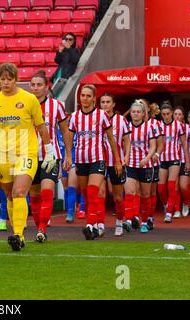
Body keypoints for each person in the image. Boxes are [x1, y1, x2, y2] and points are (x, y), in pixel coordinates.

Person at [0, 63, 55, 251]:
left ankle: (18, 235)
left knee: (19, 192)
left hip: (26, 152)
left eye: (9, 79)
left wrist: (49, 151)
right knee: (9, 196)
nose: (6, 82)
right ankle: (17, 230)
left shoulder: (29, 99)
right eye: (3, 79)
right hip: (3, 154)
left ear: (16, 79)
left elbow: (41, 126)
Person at [64, 84, 122, 240]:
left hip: (98, 159)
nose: (85, 98)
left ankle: (90, 225)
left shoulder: (102, 115)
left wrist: (117, 160)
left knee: (92, 190)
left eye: (88, 96)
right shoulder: (75, 116)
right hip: (81, 160)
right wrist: (68, 156)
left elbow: (111, 138)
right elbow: (69, 136)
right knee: (85, 193)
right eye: (83, 95)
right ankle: (96, 223)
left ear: (94, 98)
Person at [28, 70, 68, 242]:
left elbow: (65, 130)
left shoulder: (56, 106)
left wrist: (68, 155)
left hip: (50, 156)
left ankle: (42, 229)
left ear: (46, 87)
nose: (35, 88)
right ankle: (39, 227)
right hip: (29, 156)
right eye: (33, 85)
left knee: (46, 192)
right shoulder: (24, 105)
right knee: (34, 195)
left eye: (39, 85)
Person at [123, 100, 157, 234]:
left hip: (146, 165)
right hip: (130, 164)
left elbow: (153, 146)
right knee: (130, 192)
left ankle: (144, 222)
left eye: (138, 112)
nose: (136, 114)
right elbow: (123, 144)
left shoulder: (149, 127)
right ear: (130, 113)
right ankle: (129, 220)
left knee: (145, 195)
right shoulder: (126, 127)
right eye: (133, 112)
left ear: (143, 114)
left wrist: (147, 158)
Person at [99, 93, 130, 237]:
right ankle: (99, 224)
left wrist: (126, 157)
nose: (105, 104)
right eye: (103, 102)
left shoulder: (121, 120)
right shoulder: (96, 118)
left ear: (113, 104)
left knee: (117, 196)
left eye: (108, 102)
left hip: (116, 162)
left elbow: (127, 140)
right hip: (99, 160)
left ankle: (119, 222)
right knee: (100, 194)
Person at [157, 103, 189, 223]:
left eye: (168, 114)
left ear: (171, 113)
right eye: (163, 114)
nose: (166, 116)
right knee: (160, 188)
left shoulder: (178, 125)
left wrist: (186, 160)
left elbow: (184, 144)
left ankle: (169, 212)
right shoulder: (158, 125)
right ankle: (167, 205)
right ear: (161, 114)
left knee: (171, 186)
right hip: (162, 159)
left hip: (174, 159)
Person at [173, 106, 190, 217]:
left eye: (179, 114)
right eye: (176, 114)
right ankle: (177, 209)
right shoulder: (168, 127)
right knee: (175, 186)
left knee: (184, 186)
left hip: (184, 160)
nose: (177, 116)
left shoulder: (187, 127)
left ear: (183, 117)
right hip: (172, 160)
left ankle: (186, 203)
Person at [146, 102, 164, 230]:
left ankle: (149, 217)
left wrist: (156, 154)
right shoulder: (132, 123)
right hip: (136, 163)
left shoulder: (155, 124)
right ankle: (137, 217)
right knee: (136, 191)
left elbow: (161, 144)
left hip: (152, 163)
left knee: (151, 192)